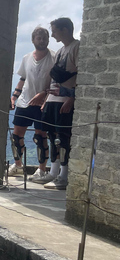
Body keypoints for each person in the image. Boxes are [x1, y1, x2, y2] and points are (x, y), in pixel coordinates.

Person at [8, 27, 56, 180]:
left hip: (44, 103)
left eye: (44, 38)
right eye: (39, 38)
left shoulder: (54, 57)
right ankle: (18, 166)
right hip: (25, 101)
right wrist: (14, 97)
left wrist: (43, 93)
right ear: (33, 40)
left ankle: (41, 171)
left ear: (48, 40)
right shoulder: (27, 58)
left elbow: (57, 83)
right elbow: (22, 79)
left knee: (40, 137)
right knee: (16, 136)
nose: (42, 41)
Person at [38, 17, 79, 189]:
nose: (53, 34)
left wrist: (72, 98)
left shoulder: (77, 47)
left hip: (64, 98)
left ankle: (64, 175)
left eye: (55, 30)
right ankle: (53, 172)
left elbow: (81, 74)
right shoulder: (61, 50)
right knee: (52, 135)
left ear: (65, 30)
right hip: (53, 98)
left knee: (63, 137)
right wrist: (46, 98)